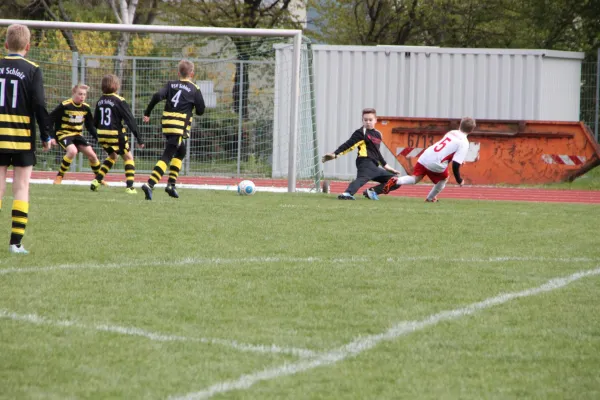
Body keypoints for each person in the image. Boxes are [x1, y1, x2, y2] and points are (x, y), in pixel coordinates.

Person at [0, 24, 55, 254]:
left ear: (5, 45)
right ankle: (15, 243)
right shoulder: (33, 69)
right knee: (21, 187)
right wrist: (46, 134)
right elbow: (40, 105)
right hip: (22, 138)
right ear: (28, 47)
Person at [141, 59, 205, 200]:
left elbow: (157, 96)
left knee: (181, 151)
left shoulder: (171, 84)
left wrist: (147, 112)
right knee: (168, 155)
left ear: (178, 73)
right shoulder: (194, 89)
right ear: (192, 74)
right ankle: (150, 184)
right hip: (179, 125)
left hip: (167, 123)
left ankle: (171, 185)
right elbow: (201, 110)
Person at [382, 116, 476, 202]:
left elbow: (447, 149)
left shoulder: (452, 132)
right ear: (471, 131)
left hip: (426, 156)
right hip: (436, 163)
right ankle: (430, 198)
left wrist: (459, 159)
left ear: (460, 125)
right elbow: (455, 164)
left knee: (415, 178)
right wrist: (459, 179)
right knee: (444, 178)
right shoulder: (464, 142)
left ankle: (396, 180)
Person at [321, 107, 402, 200]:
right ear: (362, 120)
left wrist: (388, 167)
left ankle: (372, 191)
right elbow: (348, 145)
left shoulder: (378, 134)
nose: (368, 122)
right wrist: (335, 154)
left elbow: (377, 153)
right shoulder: (360, 133)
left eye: (370, 120)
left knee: (395, 181)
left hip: (374, 166)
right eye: (365, 120)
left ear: (376, 120)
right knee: (362, 179)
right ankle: (346, 194)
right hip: (364, 162)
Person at [90, 74, 144, 193]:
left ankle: (97, 180)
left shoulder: (100, 101)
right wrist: (139, 138)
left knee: (113, 156)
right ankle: (130, 187)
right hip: (114, 134)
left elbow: (95, 122)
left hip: (101, 135)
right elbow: (130, 120)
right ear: (115, 86)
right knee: (128, 157)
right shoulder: (119, 100)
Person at [50, 83, 101, 184]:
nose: (82, 97)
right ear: (73, 93)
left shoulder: (86, 108)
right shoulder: (65, 105)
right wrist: (51, 136)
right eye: (80, 94)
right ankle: (59, 176)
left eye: (84, 94)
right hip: (64, 134)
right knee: (72, 151)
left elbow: (90, 126)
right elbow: (50, 119)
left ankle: (99, 179)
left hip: (77, 135)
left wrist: (99, 138)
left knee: (93, 156)